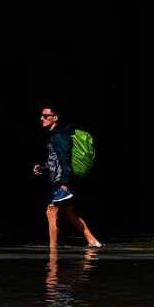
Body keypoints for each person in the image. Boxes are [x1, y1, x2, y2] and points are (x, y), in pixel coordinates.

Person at [33, 106, 102, 248]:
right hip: (62, 180)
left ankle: (52, 249)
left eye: (46, 116)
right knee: (69, 213)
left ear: (55, 118)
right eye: (42, 115)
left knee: (51, 212)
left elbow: (65, 159)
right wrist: (43, 167)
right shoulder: (55, 136)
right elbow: (56, 160)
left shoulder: (59, 136)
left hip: (62, 182)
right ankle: (93, 241)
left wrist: (64, 183)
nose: (42, 118)